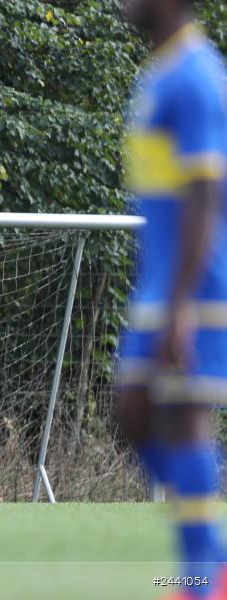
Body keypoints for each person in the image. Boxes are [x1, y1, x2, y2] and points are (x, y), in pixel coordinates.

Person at [118, 0, 227, 597]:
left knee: (183, 421)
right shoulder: (158, 74)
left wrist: (183, 304)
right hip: (160, 287)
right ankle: (210, 565)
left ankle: (201, 580)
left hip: (197, 288)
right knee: (133, 414)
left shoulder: (196, 75)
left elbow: (207, 196)